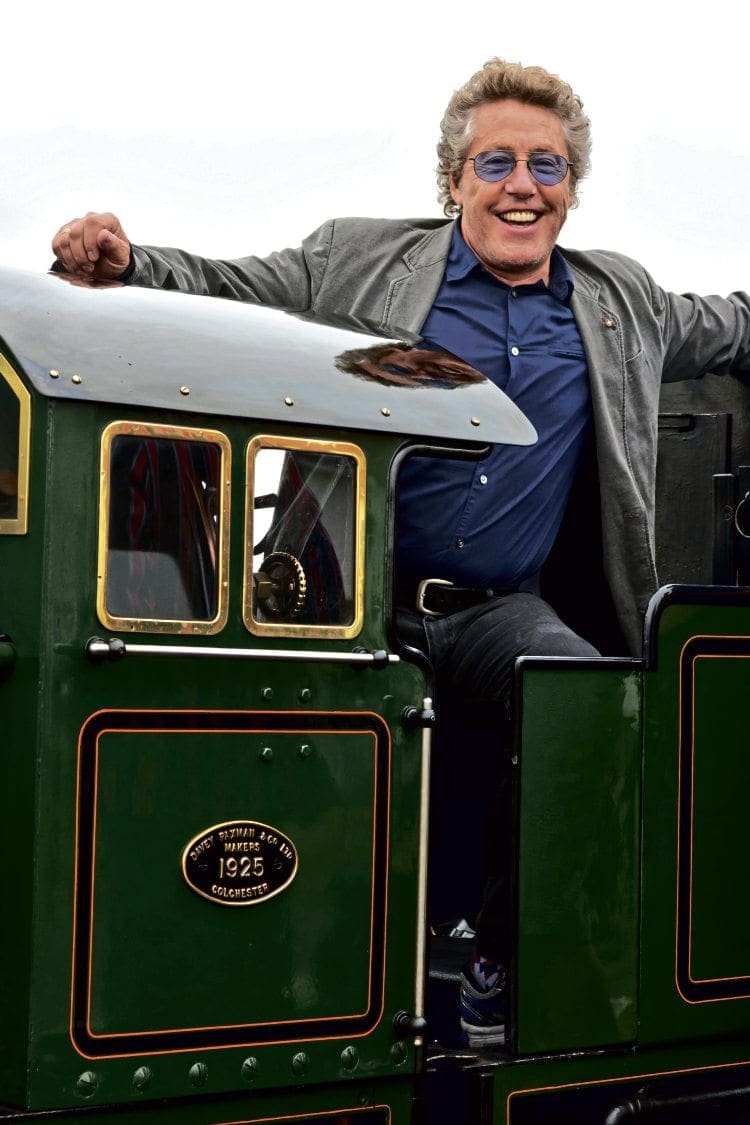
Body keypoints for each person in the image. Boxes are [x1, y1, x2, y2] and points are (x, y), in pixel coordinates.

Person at [50, 58, 750, 1048]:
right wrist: (125, 260)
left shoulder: (618, 300)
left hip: (500, 605)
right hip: (349, 595)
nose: (522, 186)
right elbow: (234, 285)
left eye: (546, 167)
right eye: (497, 162)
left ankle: (501, 967)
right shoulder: (363, 259)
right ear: (455, 178)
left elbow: (733, 326)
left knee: (591, 708)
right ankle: (288, 984)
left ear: (571, 186)